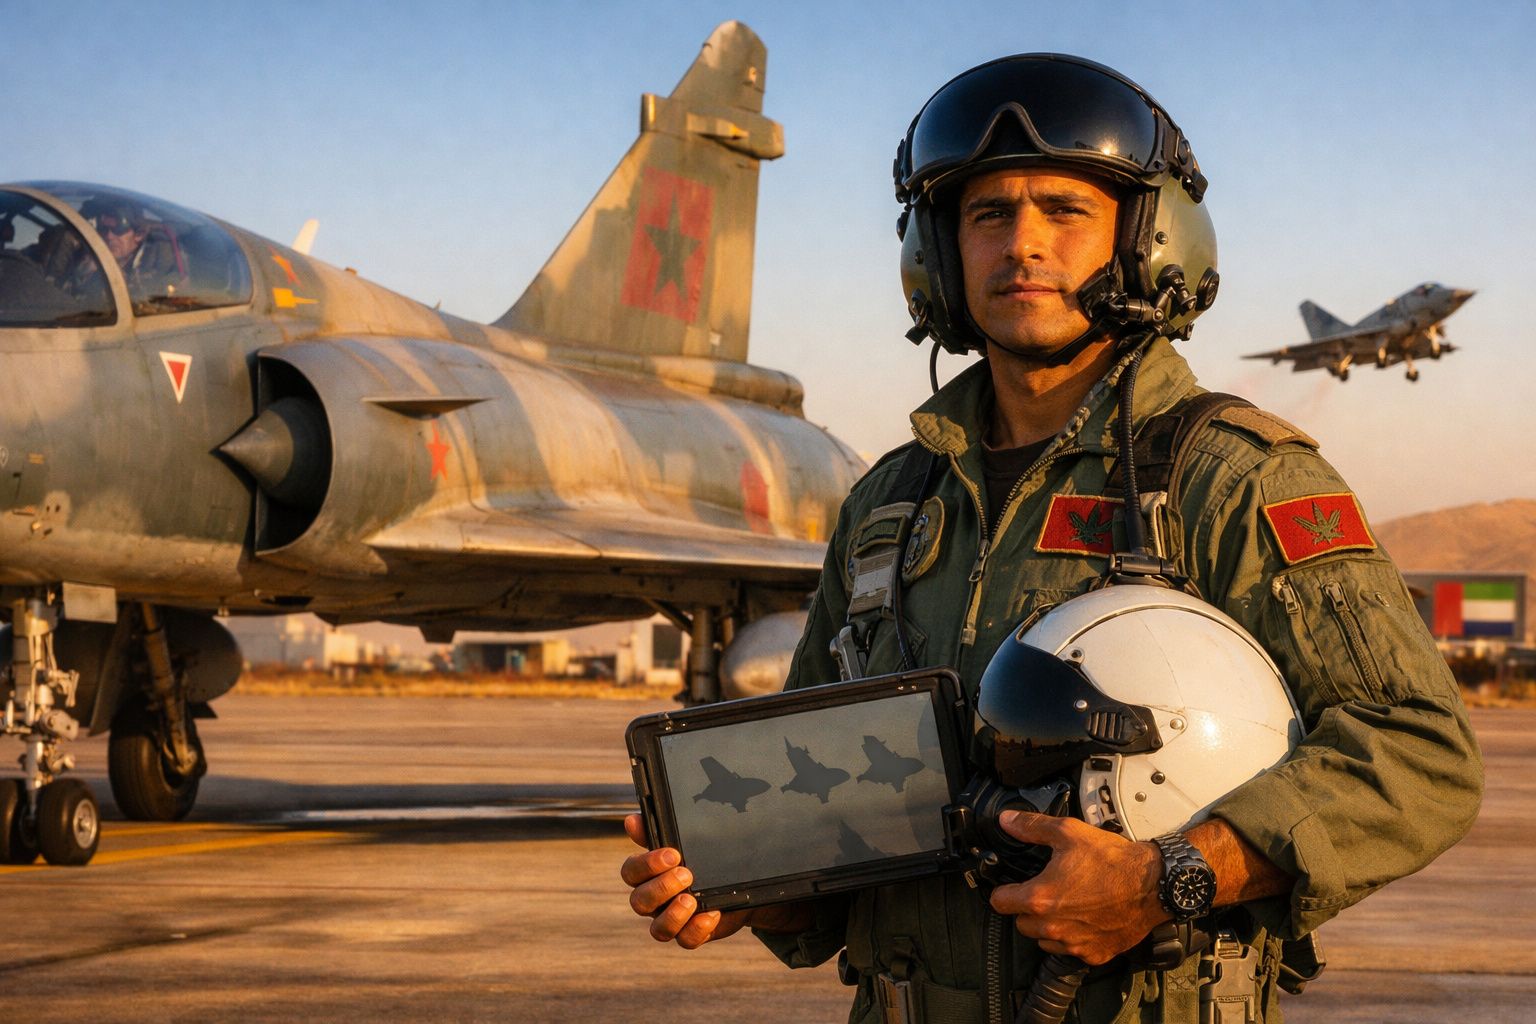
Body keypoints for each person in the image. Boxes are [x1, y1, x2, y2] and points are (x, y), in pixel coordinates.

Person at [621, 53, 1482, 1023]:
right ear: (939, 253)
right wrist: (754, 884)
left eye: (1065, 210)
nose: (1022, 244)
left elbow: (1419, 749)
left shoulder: (1232, 480)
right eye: (988, 214)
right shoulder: (888, 505)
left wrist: (1171, 875)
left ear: (1148, 242)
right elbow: (834, 845)